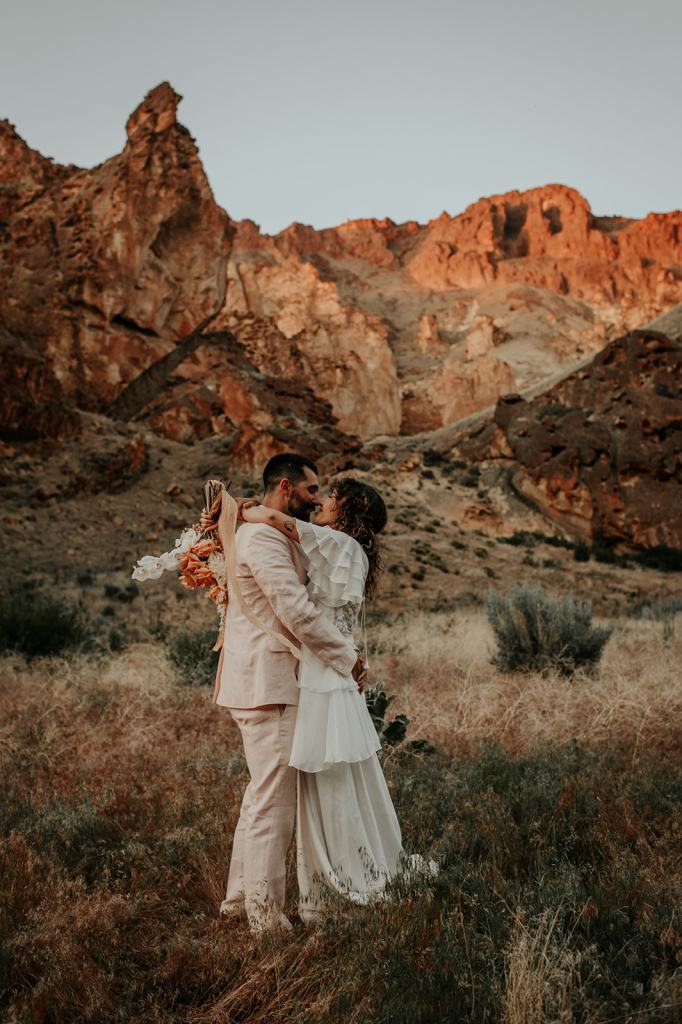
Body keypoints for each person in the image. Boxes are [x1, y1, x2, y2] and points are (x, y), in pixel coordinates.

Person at [236, 476, 437, 924]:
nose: (321, 502)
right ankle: (338, 879)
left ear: (349, 508)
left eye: (330, 497)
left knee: (327, 781)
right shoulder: (348, 550)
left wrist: (240, 510)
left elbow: (275, 520)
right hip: (331, 672)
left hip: (324, 676)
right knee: (336, 778)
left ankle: (334, 890)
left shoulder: (338, 544)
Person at [211, 454, 367, 934]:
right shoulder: (262, 540)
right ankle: (266, 916)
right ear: (286, 486)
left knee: (261, 794)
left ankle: (240, 898)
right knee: (272, 801)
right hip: (268, 683)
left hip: (263, 681)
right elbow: (296, 611)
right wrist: (349, 658)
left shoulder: (267, 533)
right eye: (311, 490)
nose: (317, 498)